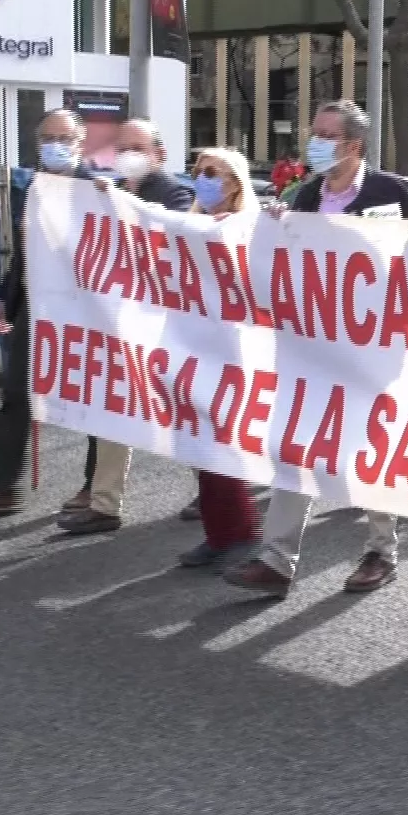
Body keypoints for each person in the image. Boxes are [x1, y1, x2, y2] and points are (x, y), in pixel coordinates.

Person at [223, 101, 408, 596]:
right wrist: (275, 225)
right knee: (295, 445)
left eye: (324, 135)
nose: (312, 142)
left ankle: (380, 552)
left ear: (354, 145)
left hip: (373, 350)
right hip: (309, 350)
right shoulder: (305, 195)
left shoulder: (396, 194)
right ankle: (276, 559)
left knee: (372, 450)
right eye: (313, 132)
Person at [0, 109, 99, 517]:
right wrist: (3, 294)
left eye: (64, 137)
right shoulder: (34, 187)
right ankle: (2, 486)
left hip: (82, 315)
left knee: (92, 404)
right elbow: (24, 253)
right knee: (15, 395)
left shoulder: (97, 189)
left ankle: (95, 487)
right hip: (34, 310)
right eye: (47, 138)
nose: (55, 145)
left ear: (80, 142)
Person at [57, 118, 196, 534]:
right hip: (123, 324)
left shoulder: (173, 193)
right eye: (122, 148)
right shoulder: (109, 195)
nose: (128, 156)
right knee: (112, 408)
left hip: (169, 328)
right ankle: (104, 504)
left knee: (188, 413)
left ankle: (220, 491)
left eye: (138, 148)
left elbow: (178, 232)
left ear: (159, 155)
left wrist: (120, 204)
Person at [156, 147, 267, 568]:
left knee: (216, 443)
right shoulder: (191, 224)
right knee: (197, 443)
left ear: (235, 183)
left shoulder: (249, 227)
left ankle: (234, 533)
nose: (202, 178)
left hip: (231, 350)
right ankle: (227, 530)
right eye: (198, 171)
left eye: (213, 172)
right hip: (187, 345)